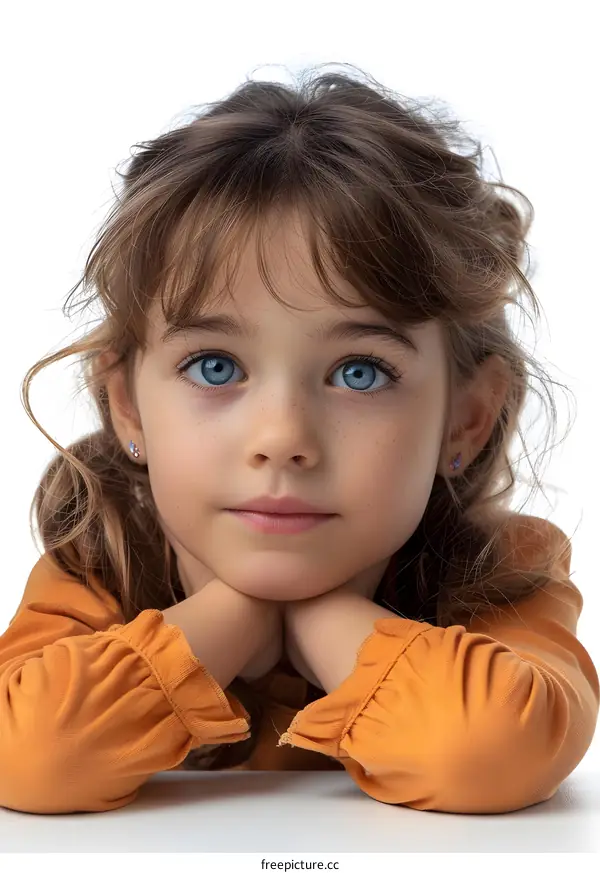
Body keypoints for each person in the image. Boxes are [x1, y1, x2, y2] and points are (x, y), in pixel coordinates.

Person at [0, 66, 597, 817]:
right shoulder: (101, 561)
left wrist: (312, 616)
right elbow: (28, 756)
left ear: (465, 419)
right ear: (127, 406)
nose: (282, 439)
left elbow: (484, 752)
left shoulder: (503, 574)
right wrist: (236, 616)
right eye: (214, 366)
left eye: (359, 372)